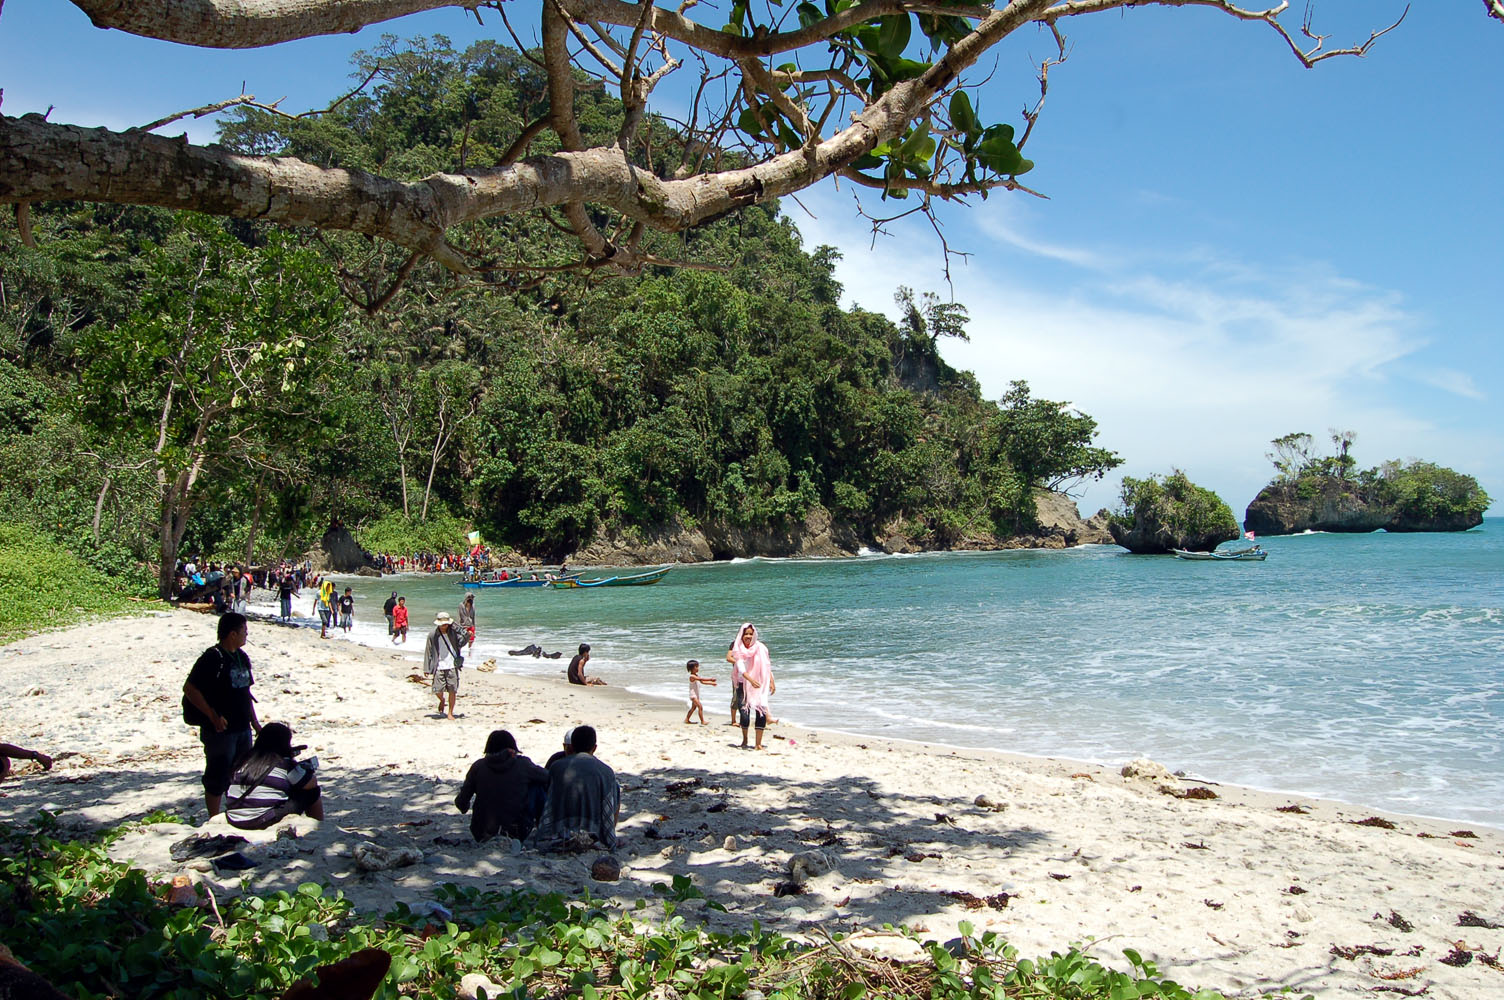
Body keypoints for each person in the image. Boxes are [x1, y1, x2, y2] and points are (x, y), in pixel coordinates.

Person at [183, 612, 262, 817]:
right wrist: (212, 715)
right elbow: (190, 689)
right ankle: (214, 817)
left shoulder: (242, 658)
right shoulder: (212, 657)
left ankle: (235, 813)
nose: (247, 634)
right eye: (244, 630)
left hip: (242, 727)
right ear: (232, 634)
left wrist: (255, 723)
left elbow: (246, 692)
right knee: (217, 775)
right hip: (220, 730)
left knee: (242, 774)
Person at [531, 725, 619, 852]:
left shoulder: (556, 767)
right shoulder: (606, 771)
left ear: (571, 747)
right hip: (593, 834)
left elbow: (549, 801)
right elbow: (608, 810)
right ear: (594, 748)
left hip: (559, 832)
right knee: (614, 787)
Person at [224, 722, 325, 829]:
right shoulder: (285, 764)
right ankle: (318, 826)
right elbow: (311, 784)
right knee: (312, 793)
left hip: (233, 817)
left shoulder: (244, 760)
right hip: (259, 820)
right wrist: (296, 764)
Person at [454, 730, 549, 843]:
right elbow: (549, 777)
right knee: (537, 785)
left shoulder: (478, 766)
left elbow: (461, 802)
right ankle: (544, 827)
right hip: (516, 832)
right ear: (512, 749)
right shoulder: (523, 764)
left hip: (480, 832)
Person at [726, 623, 775, 750]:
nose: (748, 636)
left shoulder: (761, 648)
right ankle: (745, 739)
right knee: (744, 712)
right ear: (741, 635)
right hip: (743, 683)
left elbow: (767, 666)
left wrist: (771, 681)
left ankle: (758, 743)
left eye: (750, 634)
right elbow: (741, 668)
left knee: (761, 712)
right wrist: (750, 680)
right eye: (746, 634)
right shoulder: (738, 649)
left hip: (759, 684)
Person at [424, 611, 466, 719]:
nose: (444, 626)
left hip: (452, 665)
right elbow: (428, 651)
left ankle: (450, 713)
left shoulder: (453, 633)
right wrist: (426, 668)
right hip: (438, 665)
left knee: (453, 690)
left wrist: (462, 630)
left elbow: (462, 641)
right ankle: (442, 700)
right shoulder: (433, 635)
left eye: (446, 623)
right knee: (437, 690)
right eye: (443, 624)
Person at [684, 660, 718, 725]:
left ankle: (687, 719)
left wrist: (711, 683)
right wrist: (710, 679)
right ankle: (702, 721)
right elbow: (701, 679)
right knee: (700, 707)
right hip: (693, 695)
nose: (697, 668)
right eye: (696, 667)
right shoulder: (692, 676)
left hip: (696, 695)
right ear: (691, 668)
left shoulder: (696, 675)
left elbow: (702, 682)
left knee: (693, 708)